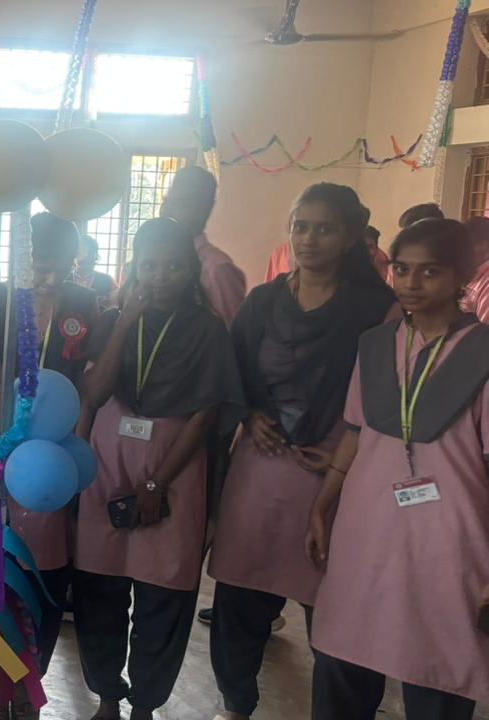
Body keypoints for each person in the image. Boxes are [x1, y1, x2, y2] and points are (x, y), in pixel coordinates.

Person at [206, 184, 396, 720]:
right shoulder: (263, 302)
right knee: (240, 596)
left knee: (337, 607)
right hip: (260, 469)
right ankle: (236, 704)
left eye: (325, 228)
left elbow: (382, 398)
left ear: (351, 237)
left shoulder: (376, 310)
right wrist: (250, 414)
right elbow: (233, 374)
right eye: (300, 226)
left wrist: (342, 453)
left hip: (337, 473)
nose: (309, 239)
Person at [305, 218, 489, 719]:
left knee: (437, 662)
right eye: (402, 269)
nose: (411, 282)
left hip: (449, 535)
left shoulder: (481, 352)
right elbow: (355, 432)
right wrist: (323, 505)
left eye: (430, 271)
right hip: (368, 524)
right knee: (345, 651)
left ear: (462, 275)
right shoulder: (376, 344)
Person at [73, 217, 244, 720]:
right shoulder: (113, 319)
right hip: (108, 466)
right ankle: (107, 696)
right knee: (99, 589)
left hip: (174, 470)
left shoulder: (208, 329)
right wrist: (125, 323)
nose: (161, 276)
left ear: (190, 270)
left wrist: (157, 483)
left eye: (173, 266)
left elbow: (206, 415)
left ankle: (146, 704)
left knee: (162, 595)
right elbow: (95, 393)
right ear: (135, 267)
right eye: (149, 265)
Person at [0, 213, 104, 720]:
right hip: (1, 455)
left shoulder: (83, 305)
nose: (48, 274)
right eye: (38, 261)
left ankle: (30, 686)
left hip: (57, 460)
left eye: (59, 262)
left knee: (47, 573)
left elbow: (91, 383)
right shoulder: (0, 301)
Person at [160, 166, 246, 328]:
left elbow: (232, 332)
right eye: (168, 199)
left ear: (203, 208)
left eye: (180, 201)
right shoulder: (160, 260)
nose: (167, 208)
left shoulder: (217, 269)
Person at [267, 224, 390, 283]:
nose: (308, 241)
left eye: (323, 230)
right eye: (300, 228)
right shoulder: (279, 254)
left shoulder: (381, 260)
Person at [72, 233, 117, 310]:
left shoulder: (107, 281)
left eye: (89, 252)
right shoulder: (63, 279)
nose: (85, 257)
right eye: (80, 251)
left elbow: (115, 307)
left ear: (95, 255)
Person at [461, 216, 489, 322]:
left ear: (485, 247)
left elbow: (484, 329)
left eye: (466, 247)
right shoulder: (466, 274)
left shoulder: (486, 283)